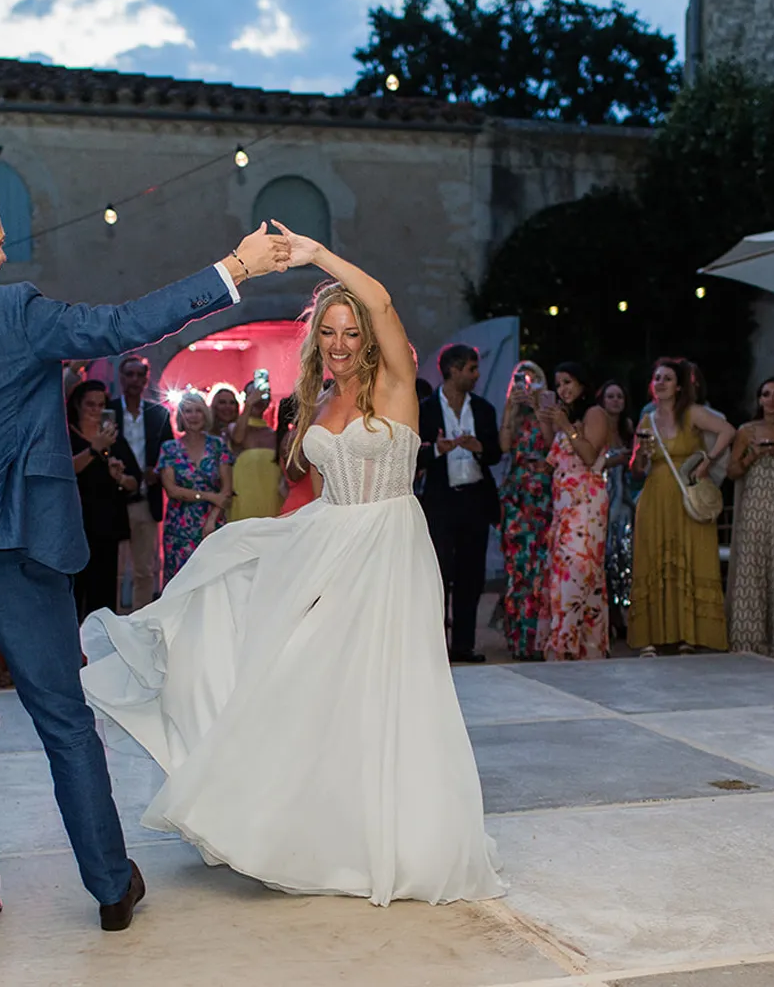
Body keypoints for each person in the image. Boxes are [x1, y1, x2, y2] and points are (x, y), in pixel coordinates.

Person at [0, 184, 288, 936]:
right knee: (63, 722)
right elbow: (123, 325)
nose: (8, 250)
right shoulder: (14, 311)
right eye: (0, 236)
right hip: (21, 549)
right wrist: (232, 269)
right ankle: (112, 887)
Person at [81, 223, 504, 907]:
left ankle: (393, 840)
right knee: (302, 677)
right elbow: (313, 492)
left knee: (389, 690)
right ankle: (309, 829)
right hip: (325, 544)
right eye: (328, 332)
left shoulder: (396, 384)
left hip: (389, 547)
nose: (338, 343)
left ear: (367, 337)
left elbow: (386, 305)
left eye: (349, 331)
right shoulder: (323, 400)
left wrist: (318, 257)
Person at [627, 357, 735, 654]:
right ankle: (652, 636)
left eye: (667, 379)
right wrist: (643, 455)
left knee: (690, 557)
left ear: (678, 387)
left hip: (686, 492)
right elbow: (636, 470)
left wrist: (707, 462)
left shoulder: (693, 414)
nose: (660, 383)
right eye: (657, 378)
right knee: (654, 559)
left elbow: (728, 431)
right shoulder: (646, 420)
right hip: (656, 497)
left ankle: (690, 635)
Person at [418, 343, 503, 664]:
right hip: (440, 501)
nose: (476, 375)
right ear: (453, 370)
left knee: (471, 575)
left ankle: (463, 645)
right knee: (438, 574)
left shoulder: (483, 409)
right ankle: (436, 645)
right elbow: (413, 455)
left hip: (474, 498)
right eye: (471, 369)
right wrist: (437, 449)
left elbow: (495, 453)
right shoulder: (425, 409)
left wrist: (479, 445)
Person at [537, 361, 613, 660]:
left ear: (582, 384)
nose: (563, 389)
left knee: (576, 574)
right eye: (559, 384)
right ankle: (583, 649)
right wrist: (544, 418)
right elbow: (551, 456)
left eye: (568, 382)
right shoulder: (568, 418)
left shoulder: (595, 414)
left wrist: (567, 427)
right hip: (564, 507)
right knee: (572, 576)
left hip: (586, 507)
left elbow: (589, 453)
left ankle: (564, 648)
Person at [725, 377, 774, 659]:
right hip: (754, 506)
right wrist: (752, 456)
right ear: (759, 399)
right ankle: (749, 640)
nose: (771, 400)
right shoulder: (747, 431)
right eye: (766, 394)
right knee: (751, 572)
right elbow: (732, 471)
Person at [68, 379, 142, 620]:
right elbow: (65, 470)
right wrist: (93, 449)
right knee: (75, 590)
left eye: (101, 405)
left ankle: (101, 645)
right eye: (90, 405)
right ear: (78, 405)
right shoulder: (66, 434)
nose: (96, 410)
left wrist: (120, 477)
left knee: (105, 591)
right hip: (75, 523)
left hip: (107, 523)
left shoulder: (112, 438)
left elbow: (135, 482)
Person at [105, 356, 175, 610]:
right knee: (113, 568)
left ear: (146, 380)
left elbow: (169, 453)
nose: (134, 380)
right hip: (112, 501)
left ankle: (139, 621)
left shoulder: (159, 414)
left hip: (146, 500)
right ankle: (112, 621)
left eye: (139, 375)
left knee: (145, 569)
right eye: (129, 374)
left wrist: (157, 472)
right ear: (121, 378)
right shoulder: (108, 411)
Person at [497, 360, 553, 661]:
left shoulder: (548, 412)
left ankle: (540, 639)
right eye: (521, 381)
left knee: (540, 568)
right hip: (518, 494)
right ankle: (519, 639)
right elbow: (504, 447)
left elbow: (550, 443)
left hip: (543, 492)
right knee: (518, 568)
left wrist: (539, 405)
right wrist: (510, 408)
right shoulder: (513, 414)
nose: (527, 386)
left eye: (534, 380)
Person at [157, 392, 234, 584]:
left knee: (212, 582)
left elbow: (226, 491)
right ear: (181, 416)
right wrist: (208, 496)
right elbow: (172, 491)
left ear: (206, 414)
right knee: (180, 583)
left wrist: (212, 520)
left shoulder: (218, 446)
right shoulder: (169, 448)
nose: (193, 416)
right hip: (179, 527)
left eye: (198, 411)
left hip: (213, 524)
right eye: (188, 411)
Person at [596, 380, 636, 638]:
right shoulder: (596, 425)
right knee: (603, 556)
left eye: (619, 396)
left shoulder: (628, 427)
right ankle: (606, 617)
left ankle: (621, 615)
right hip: (601, 497)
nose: (615, 401)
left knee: (622, 558)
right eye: (610, 396)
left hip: (623, 500)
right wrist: (615, 460)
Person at [227, 378, 282, 521]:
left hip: (271, 502)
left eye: (262, 395)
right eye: (253, 395)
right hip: (243, 502)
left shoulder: (273, 434)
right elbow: (238, 439)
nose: (258, 400)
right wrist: (248, 405)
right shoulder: (234, 428)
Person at [275, 391, 319, 516]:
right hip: (299, 509)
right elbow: (294, 473)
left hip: (315, 508)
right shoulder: (293, 437)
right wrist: (314, 445)